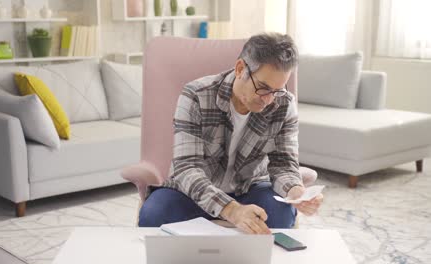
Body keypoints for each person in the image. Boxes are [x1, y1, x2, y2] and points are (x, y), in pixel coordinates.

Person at [138, 33, 323, 234]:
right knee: (154, 213)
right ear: (240, 69)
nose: (269, 100)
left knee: (282, 213)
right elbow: (187, 168)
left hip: (249, 189)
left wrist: (295, 191)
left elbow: (284, 163)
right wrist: (232, 210)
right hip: (194, 193)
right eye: (263, 88)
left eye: (277, 90)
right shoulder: (196, 95)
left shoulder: (284, 103)